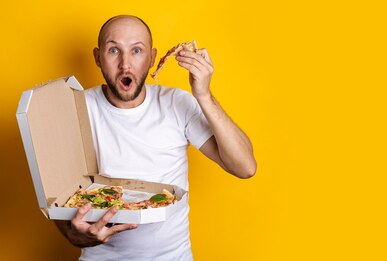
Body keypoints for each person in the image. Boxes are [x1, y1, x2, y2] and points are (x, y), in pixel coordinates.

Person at [53, 15, 256, 260]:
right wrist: (76, 235)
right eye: (114, 50)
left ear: (152, 58)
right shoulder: (74, 109)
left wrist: (203, 95)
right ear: (98, 57)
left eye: (136, 50)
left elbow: (245, 167)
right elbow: (58, 197)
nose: (125, 64)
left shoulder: (176, 103)